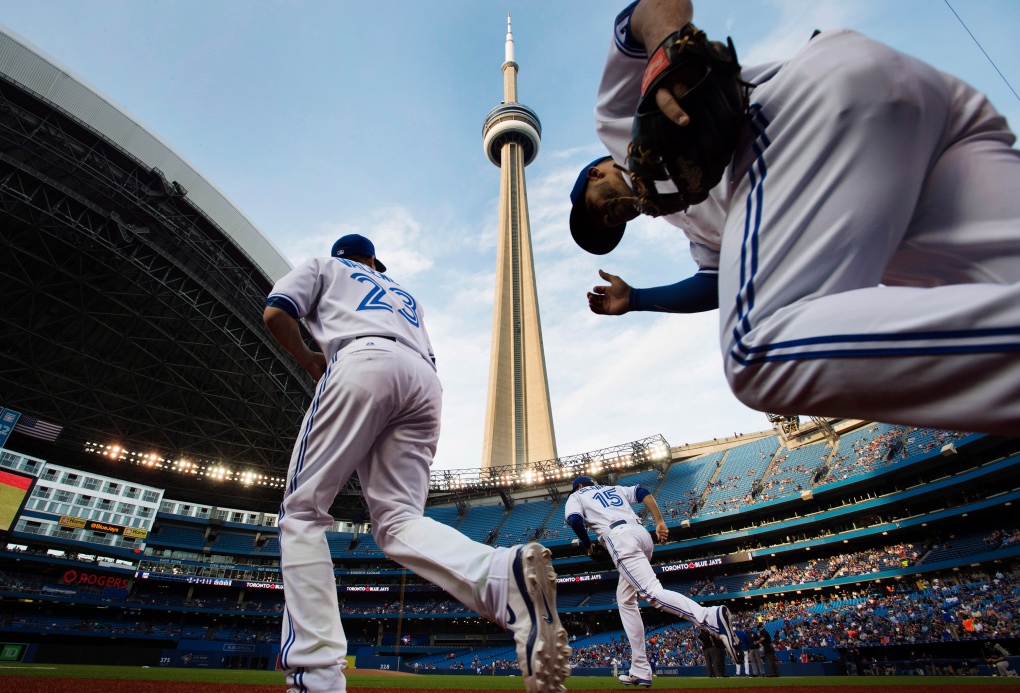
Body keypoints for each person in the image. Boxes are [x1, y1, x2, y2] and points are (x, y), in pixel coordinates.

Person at [569, 0, 1020, 435]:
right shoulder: (694, 229)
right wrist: (638, 299)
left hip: (796, 109)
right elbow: (716, 283)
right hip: (913, 124)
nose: (609, 218)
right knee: (1000, 281)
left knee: (756, 349)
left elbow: (650, 7)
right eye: (610, 227)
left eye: (596, 207)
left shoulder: (614, 122)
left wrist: (667, 49)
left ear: (596, 172)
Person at [264, 234, 570, 693]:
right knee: (399, 521)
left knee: (302, 513)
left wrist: (309, 358)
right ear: (371, 260)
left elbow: (276, 312)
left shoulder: (324, 266)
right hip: (424, 381)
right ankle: (501, 577)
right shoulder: (405, 294)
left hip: (362, 358)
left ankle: (316, 678)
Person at [565, 475, 738, 687]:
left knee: (652, 593)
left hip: (619, 538)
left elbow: (574, 519)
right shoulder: (614, 488)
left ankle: (710, 617)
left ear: (580, 486)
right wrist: (659, 521)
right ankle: (640, 669)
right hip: (641, 535)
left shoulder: (577, 495)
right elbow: (641, 491)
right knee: (626, 600)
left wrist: (587, 545)